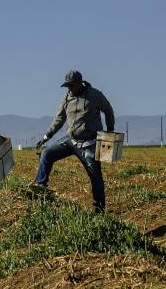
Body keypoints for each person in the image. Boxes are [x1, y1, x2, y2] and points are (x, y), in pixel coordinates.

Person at [32, 69, 115, 212]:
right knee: (47, 154)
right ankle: (40, 186)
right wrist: (46, 136)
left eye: (71, 85)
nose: (69, 88)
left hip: (89, 143)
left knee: (95, 175)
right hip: (71, 140)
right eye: (67, 86)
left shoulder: (95, 95)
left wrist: (110, 130)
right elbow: (59, 119)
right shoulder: (66, 98)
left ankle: (99, 208)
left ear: (79, 83)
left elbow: (108, 110)